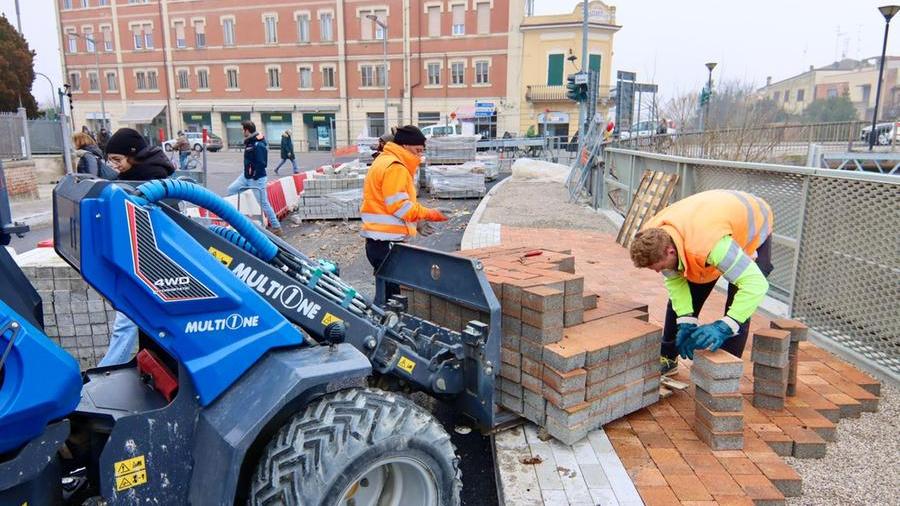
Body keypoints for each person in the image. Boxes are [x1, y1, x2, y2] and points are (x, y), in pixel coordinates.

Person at [629, 189, 774, 375]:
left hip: (752, 224)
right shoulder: (654, 235)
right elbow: (677, 285)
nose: (658, 271)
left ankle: (724, 371)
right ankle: (668, 356)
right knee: (688, 287)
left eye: (658, 266)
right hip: (710, 219)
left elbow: (756, 286)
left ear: (670, 251)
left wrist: (724, 326)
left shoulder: (707, 247)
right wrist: (685, 321)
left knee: (740, 301)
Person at [97, 127, 176, 367]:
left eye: (118, 160)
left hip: (152, 265)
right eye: (110, 160)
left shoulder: (152, 182)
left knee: (126, 322)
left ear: (134, 156)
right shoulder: (131, 179)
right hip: (140, 261)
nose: (114, 166)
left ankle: (106, 371)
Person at [360, 125, 448, 291]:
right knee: (392, 298)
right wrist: (430, 214)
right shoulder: (396, 167)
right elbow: (400, 207)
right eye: (417, 150)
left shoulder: (383, 160)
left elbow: (388, 204)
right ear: (405, 146)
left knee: (385, 292)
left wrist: (416, 222)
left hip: (377, 242)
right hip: (387, 244)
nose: (420, 155)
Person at [226, 120, 283, 236]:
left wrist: (255, 175)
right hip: (245, 176)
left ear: (247, 130)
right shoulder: (250, 141)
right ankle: (238, 221)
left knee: (263, 203)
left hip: (257, 178)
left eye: (243, 129)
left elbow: (262, 162)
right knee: (231, 190)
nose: (242, 131)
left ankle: (277, 227)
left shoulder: (258, 143)